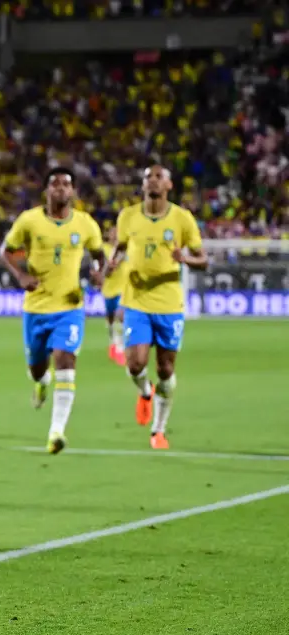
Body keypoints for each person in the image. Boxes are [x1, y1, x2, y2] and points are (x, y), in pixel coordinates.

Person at [0, 168, 105, 455]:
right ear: (46, 190)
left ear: (73, 192)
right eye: (54, 183)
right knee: (37, 367)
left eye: (66, 184)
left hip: (69, 308)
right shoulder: (29, 221)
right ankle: (41, 382)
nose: (60, 188)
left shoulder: (85, 224)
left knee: (65, 359)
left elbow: (99, 256)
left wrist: (98, 273)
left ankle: (56, 432)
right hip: (36, 307)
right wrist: (20, 277)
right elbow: (5, 251)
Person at [109, 165, 207, 450]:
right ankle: (144, 391)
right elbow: (121, 246)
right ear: (142, 185)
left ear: (168, 185)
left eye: (158, 177)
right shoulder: (128, 216)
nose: (152, 181)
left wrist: (184, 259)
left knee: (165, 368)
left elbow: (204, 260)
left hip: (169, 303)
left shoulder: (182, 218)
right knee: (135, 363)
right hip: (137, 301)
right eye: (147, 177)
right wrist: (113, 262)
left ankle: (158, 430)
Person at [101, 223, 128, 366]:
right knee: (111, 319)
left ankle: (120, 347)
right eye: (113, 232)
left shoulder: (128, 249)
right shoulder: (104, 249)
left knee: (121, 316)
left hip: (123, 289)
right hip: (108, 289)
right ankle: (112, 343)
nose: (115, 235)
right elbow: (106, 269)